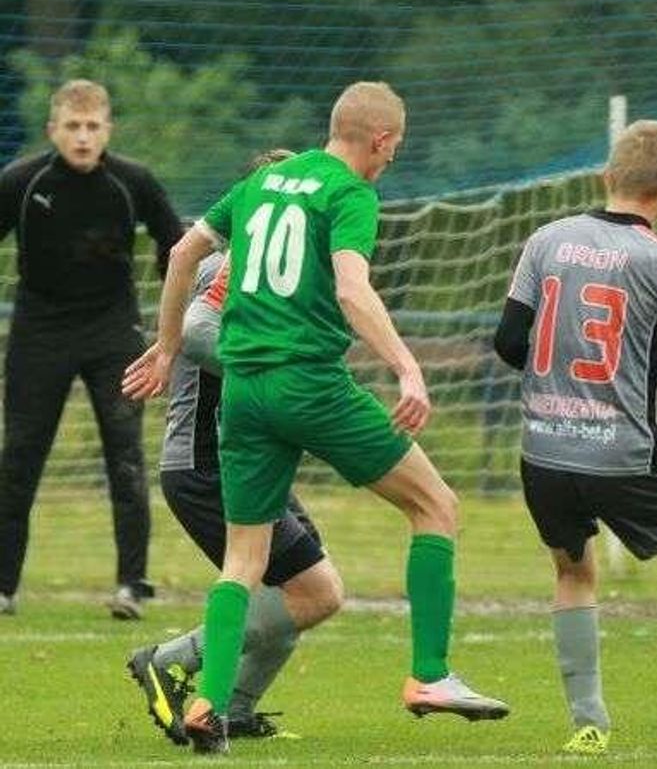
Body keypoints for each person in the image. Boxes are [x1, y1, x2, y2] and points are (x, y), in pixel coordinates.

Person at [123, 80, 508, 754]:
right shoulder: (350, 192)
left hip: (244, 392)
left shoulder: (261, 185)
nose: (390, 160)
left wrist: (167, 344)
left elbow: (184, 252)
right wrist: (406, 366)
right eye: (395, 148)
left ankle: (210, 700)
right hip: (311, 385)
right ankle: (429, 674)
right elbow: (352, 287)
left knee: (244, 561)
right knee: (436, 506)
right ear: (382, 140)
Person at [493, 120, 657, 758]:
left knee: (574, 575)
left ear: (607, 175)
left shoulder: (545, 241)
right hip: (623, 452)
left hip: (544, 450)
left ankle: (589, 723)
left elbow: (509, 344)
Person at [127, 149, 345, 744]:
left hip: (247, 459)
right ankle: (170, 658)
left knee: (300, 584)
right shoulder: (226, 268)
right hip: (208, 464)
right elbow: (201, 334)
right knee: (315, 591)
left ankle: (238, 707)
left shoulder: (279, 271)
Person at [0, 79, 183, 619]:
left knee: (125, 455)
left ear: (108, 130)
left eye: (92, 127)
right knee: (19, 458)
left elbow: (176, 249)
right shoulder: (21, 180)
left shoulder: (133, 182)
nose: (82, 137)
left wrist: (177, 325)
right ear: (53, 130)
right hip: (39, 330)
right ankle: (4, 586)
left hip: (113, 333)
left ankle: (131, 586)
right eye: (72, 127)